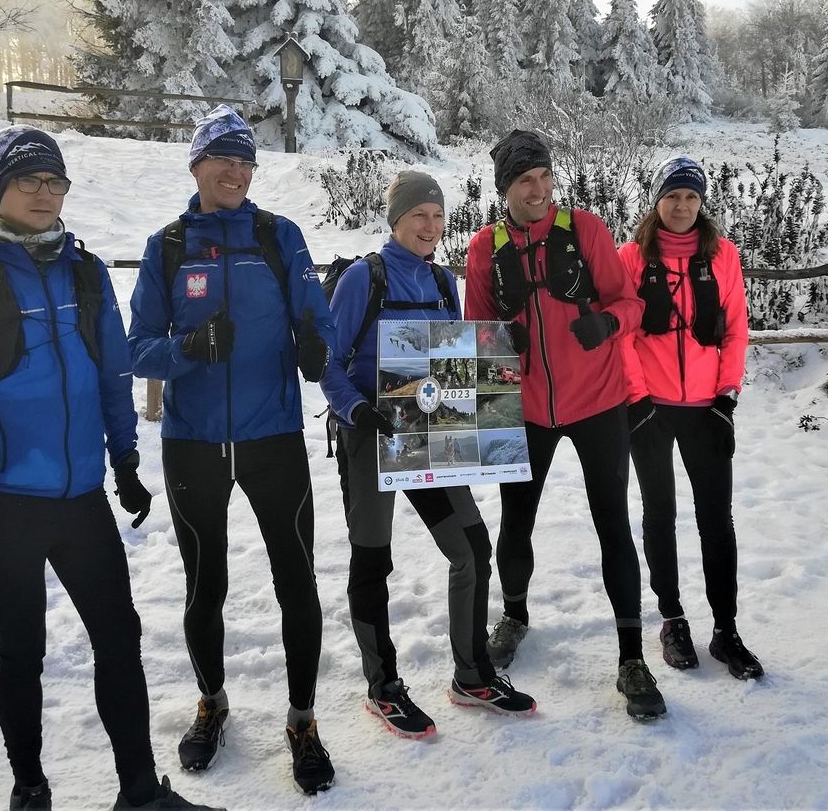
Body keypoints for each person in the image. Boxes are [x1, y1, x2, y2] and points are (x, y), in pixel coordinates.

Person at [0, 125, 220, 810]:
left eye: (55, 180)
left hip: (81, 498)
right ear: (1, 189)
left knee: (120, 635)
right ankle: (30, 786)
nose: (44, 193)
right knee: (22, 647)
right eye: (29, 180)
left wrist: (126, 459)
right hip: (3, 501)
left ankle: (138, 790)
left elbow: (110, 376)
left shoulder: (86, 271)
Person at [127, 106, 338, 794]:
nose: (236, 172)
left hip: (273, 436)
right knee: (204, 586)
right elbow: (136, 349)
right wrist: (187, 349)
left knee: (296, 580)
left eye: (246, 161)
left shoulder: (281, 238)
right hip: (192, 445)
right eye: (223, 159)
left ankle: (303, 719)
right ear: (196, 167)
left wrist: (315, 347)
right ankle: (212, 702)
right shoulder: (167, 246)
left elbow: (318, 320)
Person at [320, 170, 537, 740]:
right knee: (373, 560)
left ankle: (472, 675)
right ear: (396, 220)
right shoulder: (362, 280)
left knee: (471, 547)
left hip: (424, 432)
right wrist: (356, 410)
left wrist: (498, 362)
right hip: (369, 436)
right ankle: (383, 685)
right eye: (420, 215)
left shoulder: (444, 281)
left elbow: (453, 361)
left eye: (438, 216)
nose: (431, 226)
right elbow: (328, 363)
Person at [464, 130, 666, 720]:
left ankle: (632, 656)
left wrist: (607, 324)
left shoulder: (585, 230)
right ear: (506, 189)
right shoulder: (485, 249)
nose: (540, 189)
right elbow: (477, 335)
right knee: (516, 520)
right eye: (526, 180)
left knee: (613, 523)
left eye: (546, 176)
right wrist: (500, 344)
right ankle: (516, 616)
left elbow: (632, 304)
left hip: (599, 402)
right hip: (523, 408)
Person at [618, 155, 763, 680]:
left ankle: (726, 629)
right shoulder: (632, 257)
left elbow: (736, 329)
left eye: (692, 197)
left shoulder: (722, 255)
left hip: (707, 409)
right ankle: (672, 618)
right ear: (656, 201)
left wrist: (726, 395)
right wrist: (637, 399)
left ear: (702, 204)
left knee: (715, 520)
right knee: (659, 514)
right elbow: (625, 333)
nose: (682, 206)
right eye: (673, 196)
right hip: (652, 409)